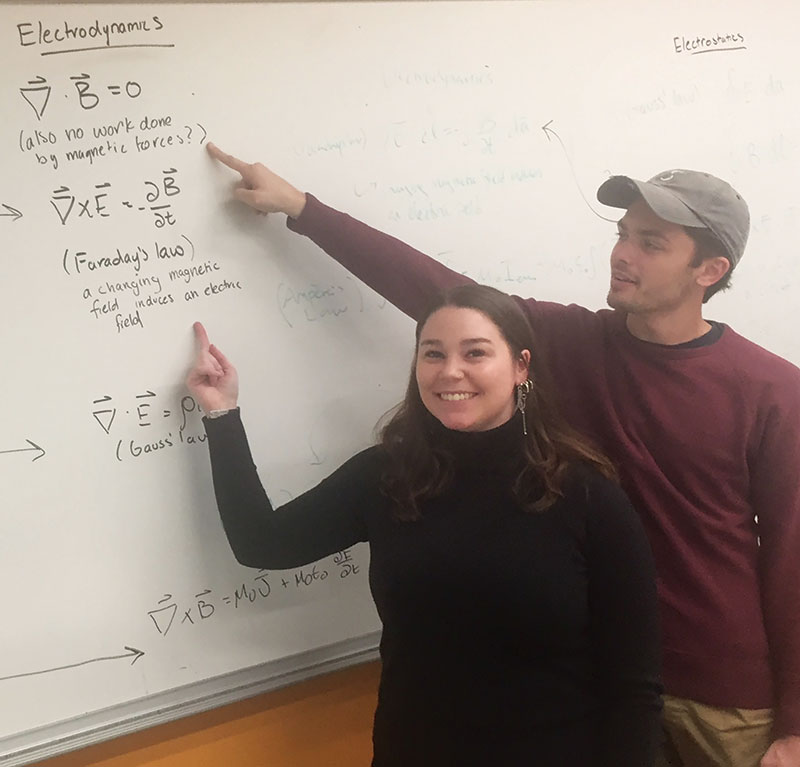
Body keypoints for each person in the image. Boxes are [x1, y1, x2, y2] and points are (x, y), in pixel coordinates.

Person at [204, 143, 800, 767]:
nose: (623, 253)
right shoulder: (572, 340)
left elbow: (789, 557)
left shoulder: (772, 391)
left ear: (710, 270)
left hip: (721, 695)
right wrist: (303, 208)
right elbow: (441, 293)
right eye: (624, 234)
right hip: (597, 672)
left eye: (652, 244)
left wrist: (792, 721)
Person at [186, 283, 663, 766]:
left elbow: (635, 688)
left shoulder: (586, 495)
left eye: (475, 353)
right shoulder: (387, 477)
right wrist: (221, 413)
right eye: (432, 354)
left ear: (521, 366)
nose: (450, 371)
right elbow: (263, 544)